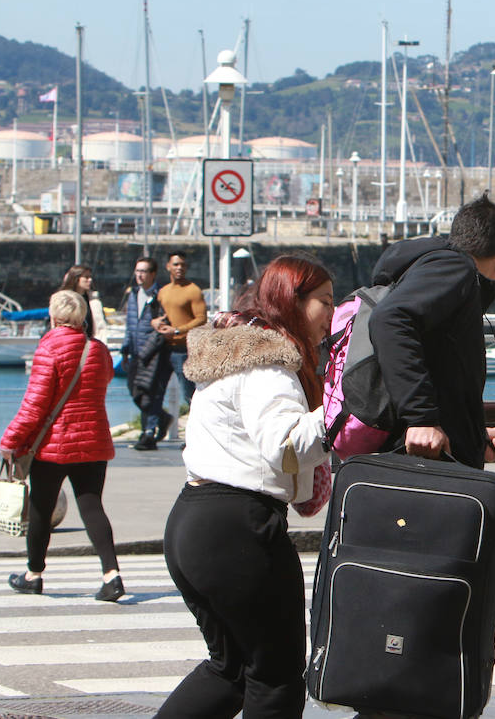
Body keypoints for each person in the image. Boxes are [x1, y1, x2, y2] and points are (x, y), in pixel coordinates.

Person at [157, 256, 335, 719]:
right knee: (275, 674)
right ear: (291, 302)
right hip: (239, 527)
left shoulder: (232, 358)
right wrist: (340, 407)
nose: (332, 315)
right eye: (324, 302)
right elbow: (286, 447)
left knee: (230, 669)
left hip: (194, 518)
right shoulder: (268, 366)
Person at [370, 194, 495, 468]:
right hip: (423, 459)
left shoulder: (429, 270)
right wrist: (422, 419)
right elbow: (390, 319)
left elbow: (443, 374)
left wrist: (476, 438)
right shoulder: (456, 269)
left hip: (431, 451)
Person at [0, 290, 122, 601]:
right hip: (93, 440)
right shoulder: (98, 350)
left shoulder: (49, 348)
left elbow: (35, 404)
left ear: (53, 317)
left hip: (55, 444)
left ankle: (34, 574)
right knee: (92, 506)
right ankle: (112, 575)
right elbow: (103, 382)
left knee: (41, 509)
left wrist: (10, 440)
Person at [121, 257, 172, 451]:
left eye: (143, 271)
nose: (139, 275)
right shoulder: (133, 294)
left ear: (152, 274)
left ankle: (149, 431)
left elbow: (162, 323)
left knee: (151, 392)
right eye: (137, 271)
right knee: (134, 390)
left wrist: (150, 347)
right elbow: (129, 323)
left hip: (154, 352)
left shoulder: (160, 295)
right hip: (134, 351)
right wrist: (125, 349)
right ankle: (161, 417)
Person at [155, 251, 208, 409]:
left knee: (189, 394)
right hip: (163, 348)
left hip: (184, 350)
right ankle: (154, 427)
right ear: (168, 266)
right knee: (156, 391)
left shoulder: (193, 290)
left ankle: (197, 425)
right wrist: (156, 323)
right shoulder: (163, 291)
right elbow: (158, 314)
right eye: (176, 264)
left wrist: (177, 330)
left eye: (183, 265)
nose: (179, 268)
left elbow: (201, 318)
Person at [60, 263, 107, 342]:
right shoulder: (64, 300)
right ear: (76, 278)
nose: (90, 280)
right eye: (86, 277)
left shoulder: (94, 300)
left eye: (90, 277)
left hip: (90, 345)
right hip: (70, 344)